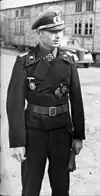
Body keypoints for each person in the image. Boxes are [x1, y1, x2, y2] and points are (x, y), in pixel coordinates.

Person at [6, 6, 85, 196]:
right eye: (52, 31)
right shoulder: (24, 62)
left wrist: (79, 135)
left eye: (60, 31)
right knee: (31, 187)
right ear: (40, 33)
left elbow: (76, 99)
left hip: (61, 131)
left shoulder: (68, 61)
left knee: (61, 187)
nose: (58, 35)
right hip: (34, 132)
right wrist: (17, 141)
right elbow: (14, 104)